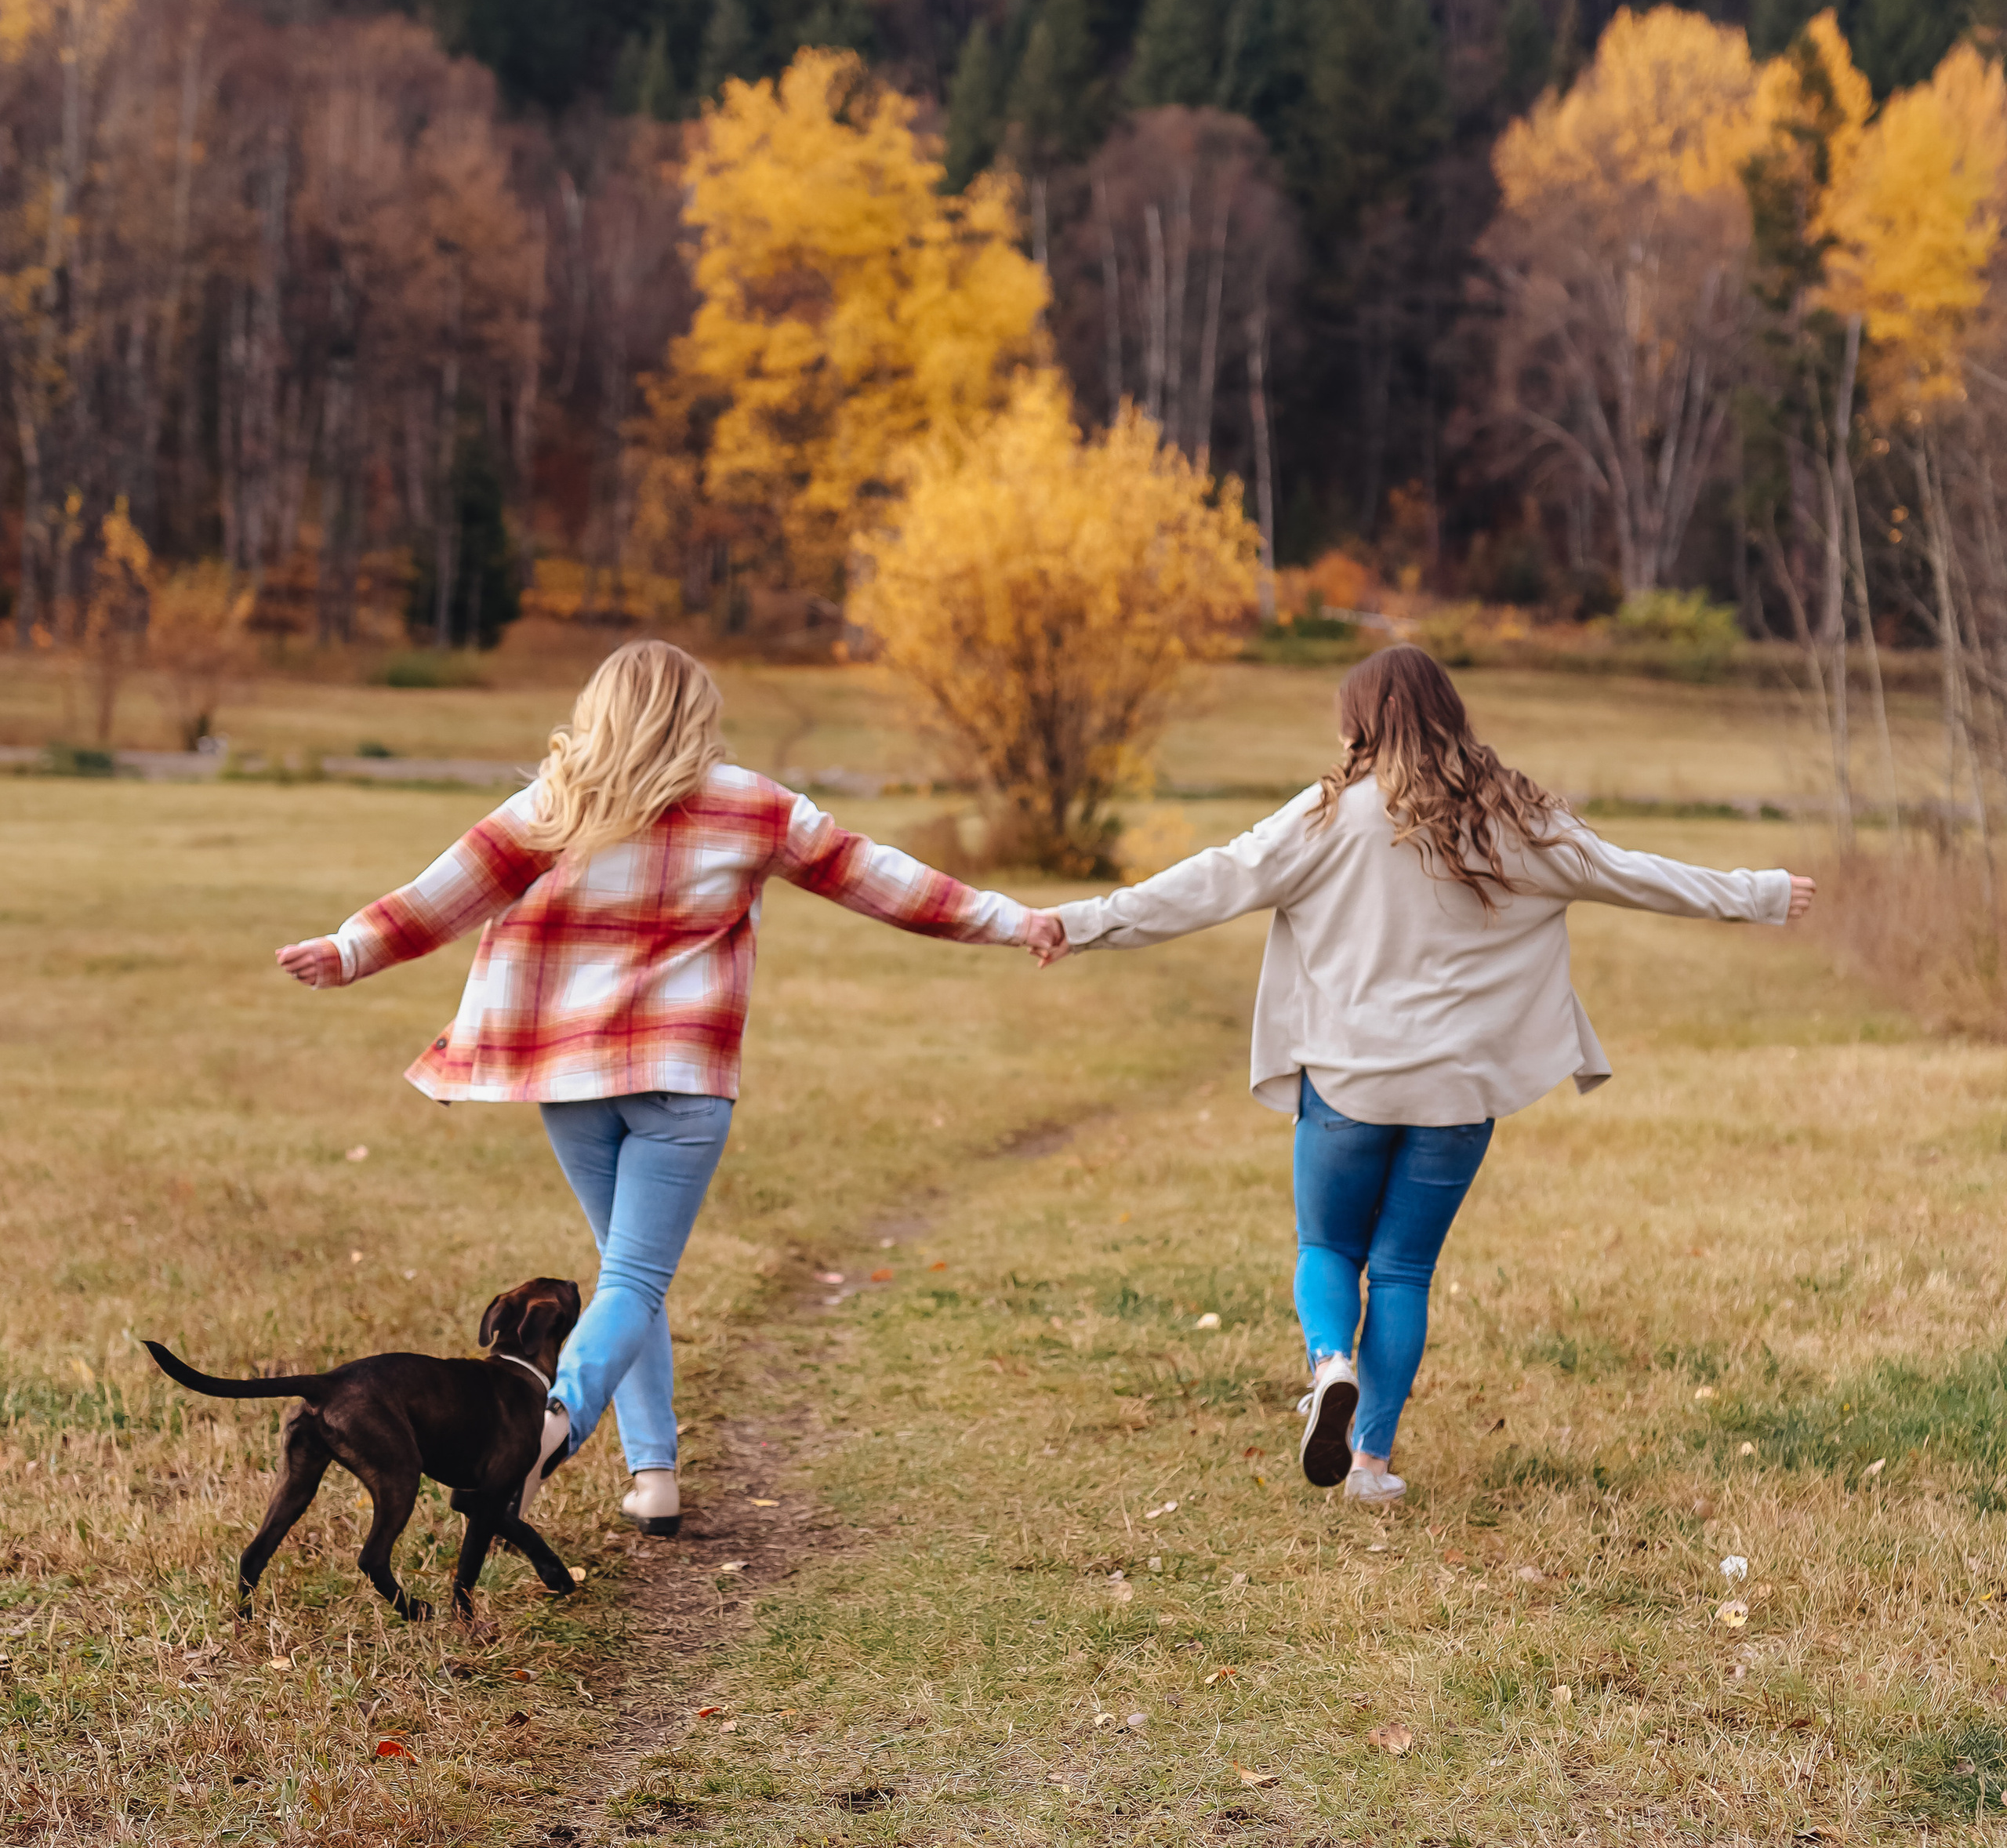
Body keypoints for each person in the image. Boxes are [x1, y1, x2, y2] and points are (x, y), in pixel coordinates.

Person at [278, 641, 1063, 1537]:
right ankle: (553, 1428)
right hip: (683, 1080)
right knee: (635, 1278)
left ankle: (654, 1477)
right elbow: (887, 881)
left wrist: (348, 950)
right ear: (699, 718)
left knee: (628, 1276)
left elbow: (440, 895)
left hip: (572, 1079)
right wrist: (1012, 920)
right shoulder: (756, 808)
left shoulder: (555, 806)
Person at [1033, 644, 1815, 1505]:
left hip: (1347, 1085)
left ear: (1359, 724)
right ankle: (1369, 1463)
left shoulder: (1326, 818)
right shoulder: (1516, 820)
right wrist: (1761, 893)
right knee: (1402, 1271)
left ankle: (1331, 1364)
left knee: (1328, 1245)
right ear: (1450, 716)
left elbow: (1206, 882)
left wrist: (1077, 922)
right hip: (1455, 1095)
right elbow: (1636, 876)